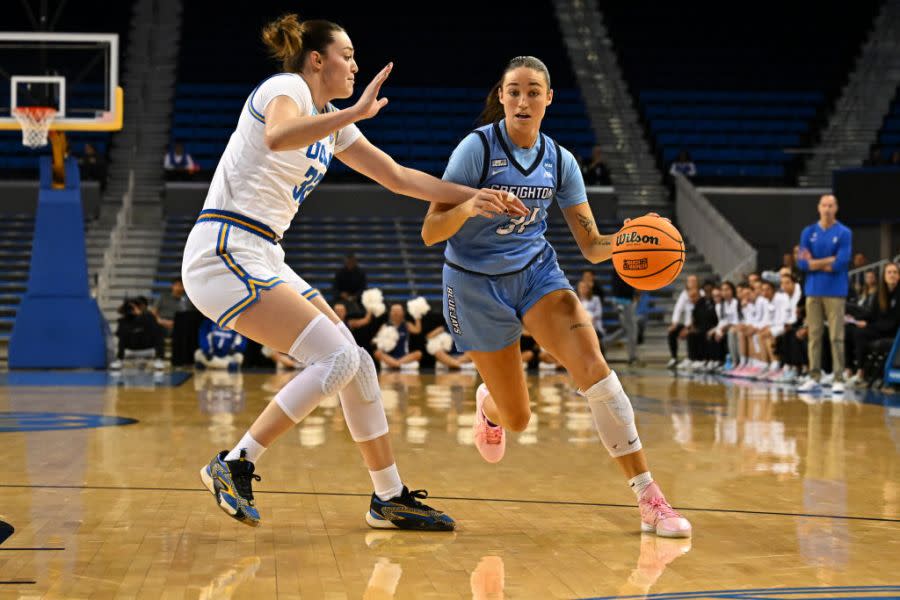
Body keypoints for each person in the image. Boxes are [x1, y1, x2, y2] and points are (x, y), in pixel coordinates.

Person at [184, 14, 526, 530]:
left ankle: (388, 497)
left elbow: (397, 176)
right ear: (316, 59)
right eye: (347, 54)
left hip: (262, 254)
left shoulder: (329, 120)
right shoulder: (286, 88)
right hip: (225, 248)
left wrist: (475, 196)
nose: (355, 64)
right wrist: (356, 113)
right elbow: (277, 136)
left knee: (358, 363)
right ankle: (236, 461)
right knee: (338, 357)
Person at [420, 55, 691, 537]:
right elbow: (431, 230)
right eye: (514, 90)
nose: (523, 99)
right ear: (501, 97)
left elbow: (590, 246)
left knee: (596, 371)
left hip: (535, 274)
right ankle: (490, 407)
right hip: (473, 284)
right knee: (519, 419)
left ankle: (650, 499)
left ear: (549, 98)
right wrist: (470, 205)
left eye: (533, 91)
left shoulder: (561, 161)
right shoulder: (476, 150)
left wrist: (628, 242)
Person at [796, 194, 852, 395]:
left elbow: (840, 263)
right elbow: (802, 264)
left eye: (831, 205)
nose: (827, 209)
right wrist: (827, 260)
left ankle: (838, 378)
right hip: (813, 291)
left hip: (835, 291)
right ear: (818, 208)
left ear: (836, 208)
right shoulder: (808, 232)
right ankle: (814, 376)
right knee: (814, 336)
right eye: (824, 205)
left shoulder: (844, 232)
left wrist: (815, 263)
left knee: (837, 336)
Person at [846, 262, 900, 385]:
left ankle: (861, 372)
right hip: (879, 328)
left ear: (899, 276)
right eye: (889, 272)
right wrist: (856, 319)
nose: (892, 275)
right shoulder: (879, 294)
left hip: (893, 331)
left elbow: (893, 322)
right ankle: (848, 370)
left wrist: (868, 325)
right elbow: (871, 314)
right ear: (884, 276)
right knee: (850, 330)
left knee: (861, 333)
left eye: (895, 272)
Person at [110, 296, 166, 371]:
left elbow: (154, 330)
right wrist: (124, 309)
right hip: (132, 346)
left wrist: (140, 315)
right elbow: (119, 334)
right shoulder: (125, 320)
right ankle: (119, 360)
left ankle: (159, 359)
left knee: (159, 331)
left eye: (137, 306)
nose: (134, 308)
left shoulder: (149, 316)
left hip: (147, 346)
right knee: (122, 334)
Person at [373, 303, 423, 369]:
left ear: (403, 313)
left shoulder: (407, 325)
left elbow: (417, 330)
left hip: (404, 357)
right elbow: (377, 340)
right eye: (394, 311)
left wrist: (417, 316)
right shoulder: (385, 326)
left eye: (398, 311)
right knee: (377, 353)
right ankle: (398, 365)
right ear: (390, 313)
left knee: (418, 353)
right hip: (389, 357)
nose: (396, 313)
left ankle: (395, 364)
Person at [667, 275, 699, 368]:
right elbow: (678, 309)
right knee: (672, 331)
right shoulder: (684, 294)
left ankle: (692, 358)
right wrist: (674, 323)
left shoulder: (701, 293)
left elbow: (700, 316)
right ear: (687, 283)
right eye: (690, 281)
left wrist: (689, 328)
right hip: (687, 324)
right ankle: (674, 358)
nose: (692, 283)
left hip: (697, 324)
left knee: (692, 332)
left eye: (694, 281)